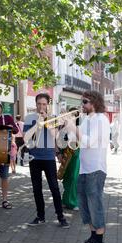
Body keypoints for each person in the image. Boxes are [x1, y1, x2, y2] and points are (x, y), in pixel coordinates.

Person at [66, 90, 110, 243]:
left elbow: (90, 142)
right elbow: (74, 142)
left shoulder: (101, 120)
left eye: (85, 102)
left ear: (94, 103)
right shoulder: (86, 120)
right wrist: (69, 127)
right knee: (84, 205)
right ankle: (93, 237)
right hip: (84, 169)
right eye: (82, 102)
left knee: (95, 204)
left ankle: (100, 242)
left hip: (96, 169)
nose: (82, 105)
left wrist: (74, 128)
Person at [24, 93, 70, 228]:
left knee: (54, 188)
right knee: (36, 189)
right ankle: (40, 216)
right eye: (39, 104)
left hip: (48, 158)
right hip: (34, 158)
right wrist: (36, 125)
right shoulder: (29, 118)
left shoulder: (53, 118)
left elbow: (56, 136)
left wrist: (47, 122)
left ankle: (61, 217)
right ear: (35, 104)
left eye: (44, 104)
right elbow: (26, 137)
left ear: (48, 105)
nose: (41, 107)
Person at [58, 107, 80, 211]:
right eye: (70, 115)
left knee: (73, 178)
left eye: (74, 115)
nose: (72, 117)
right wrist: (60, 154)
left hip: (75, 154)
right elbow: (60, 140)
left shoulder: (79, 127)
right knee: (66, 177)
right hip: (66, 153)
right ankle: (65, 200)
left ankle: (72, 202)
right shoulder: (63, 127)